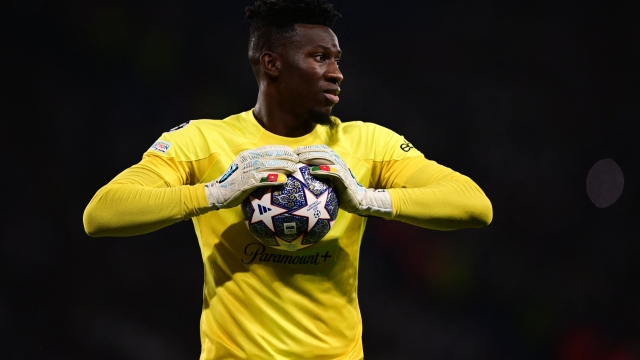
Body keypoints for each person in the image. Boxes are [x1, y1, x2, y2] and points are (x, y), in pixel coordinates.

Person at [83, 0, 493, 358]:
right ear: (272, 63)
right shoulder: (204, 141)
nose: (337, 73)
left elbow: (474, 205)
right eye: (319, 57)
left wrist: (367, 199)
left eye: (337, 59)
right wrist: (216, 192)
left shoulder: (366, 142)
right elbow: (101, 214)